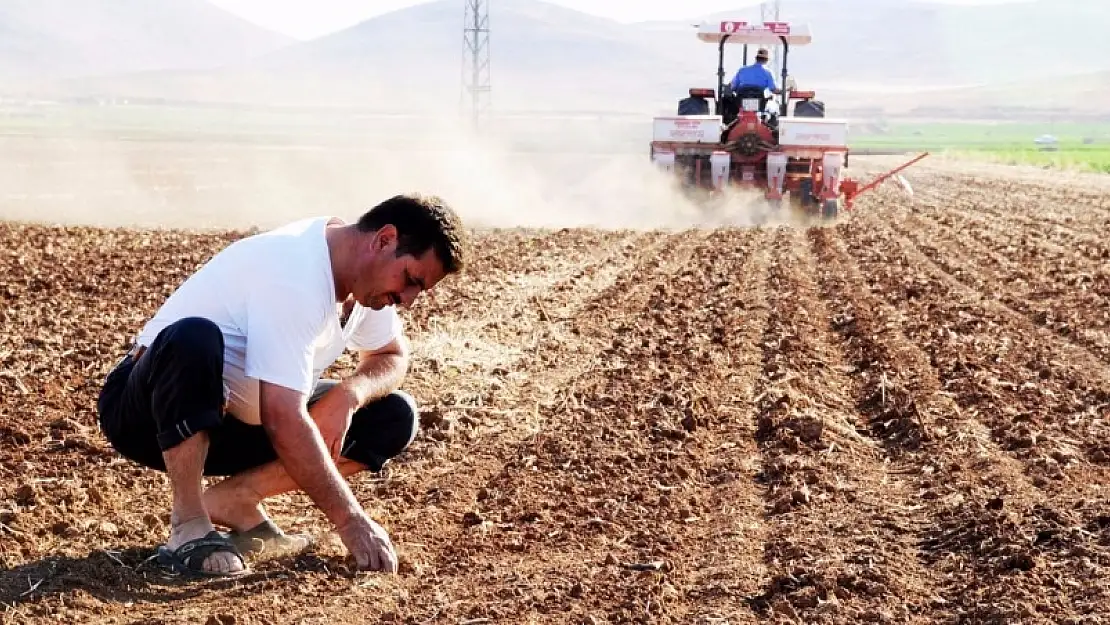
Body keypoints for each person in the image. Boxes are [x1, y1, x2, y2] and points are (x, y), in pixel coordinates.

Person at [95, 193, 468, 578]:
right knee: (194, 337)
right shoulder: (295, 271)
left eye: (417, 291)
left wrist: (349, 395)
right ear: (384, 239)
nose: (406, 300)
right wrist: (351, 520)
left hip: (238, 422)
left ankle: (237, 498)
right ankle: (189, 525)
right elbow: (282, 416)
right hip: (149, 415)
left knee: (394, 415)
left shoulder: (367, 289)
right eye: (409, 280)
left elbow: (391, 355)